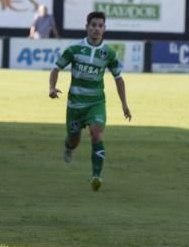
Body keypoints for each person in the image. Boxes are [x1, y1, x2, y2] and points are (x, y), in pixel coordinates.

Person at [49, 11, 131, 192]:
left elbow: (118, 78)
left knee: (97, 134)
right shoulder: (74, 49)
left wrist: (124, 104)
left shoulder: (108, 53)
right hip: (75, 104)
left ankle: (96, 176)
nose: (96, 29)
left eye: (100, 26)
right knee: (74, 140)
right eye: (93, 25)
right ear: (87, 27)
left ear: (104, 29)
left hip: (96, 103)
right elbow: (56, 68)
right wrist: (52, 88)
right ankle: (69, 147)